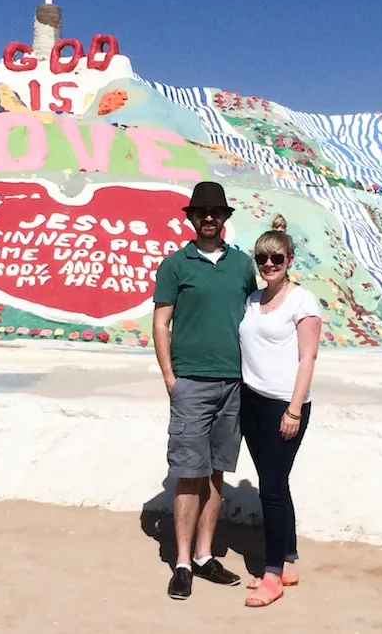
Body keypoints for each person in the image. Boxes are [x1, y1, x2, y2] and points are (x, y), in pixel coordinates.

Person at [152, 181, 258, 600]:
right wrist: (170, 378)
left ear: (225, 218)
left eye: (217, 211)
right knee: (188, 473)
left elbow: (259, 315)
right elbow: (162, 322)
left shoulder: (242, 265)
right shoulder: (176, 265)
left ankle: (204, 555)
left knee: (216, 472)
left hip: (234, 383)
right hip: (191, 382)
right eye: (202, 211)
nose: (209, 217)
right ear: (192, 218)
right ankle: (181, 563)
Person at [238, 214, 321, 609]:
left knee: (270, 489)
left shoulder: (303, 300)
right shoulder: (253, 301)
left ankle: (271, 575)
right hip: (250, 401)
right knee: (275, 481)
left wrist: (292, 410)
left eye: (277, 258)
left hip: (283, 405)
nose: (268, 265)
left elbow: (307, 359)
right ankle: (288, 560)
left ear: (290, 260)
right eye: (262, 258)